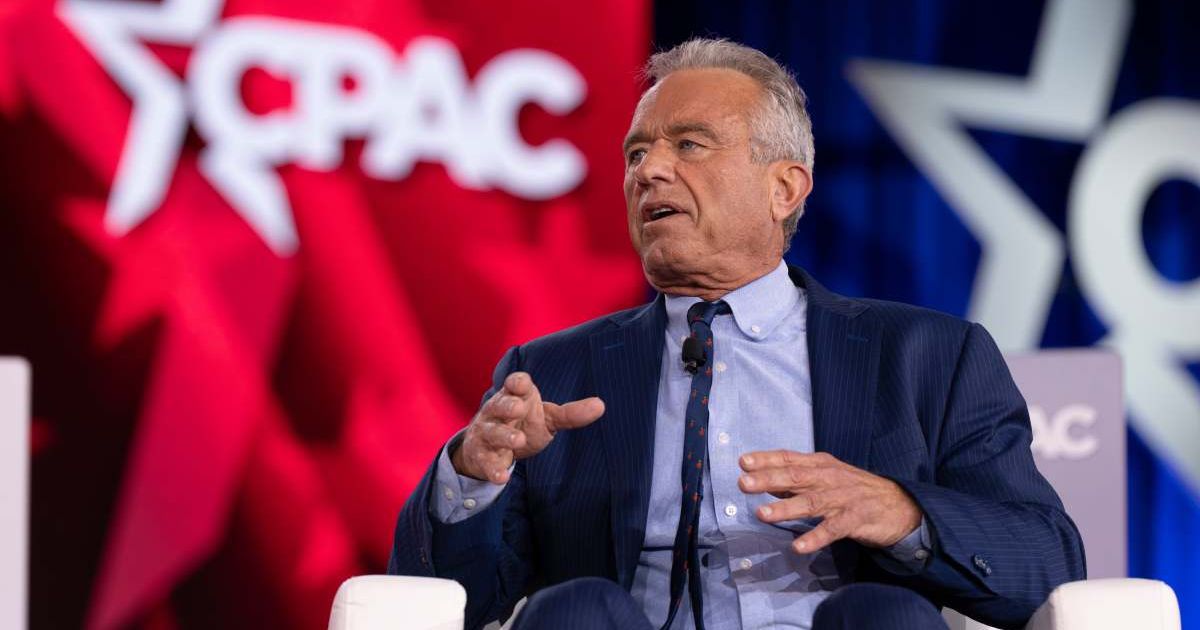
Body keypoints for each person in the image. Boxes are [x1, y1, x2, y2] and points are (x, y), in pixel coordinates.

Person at [387, 38, 1085, 630]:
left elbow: (1047, 562)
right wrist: (472, 477)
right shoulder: (553, 374)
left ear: (785, 188)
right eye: (636, 155)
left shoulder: (929, 357)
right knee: (577, 608)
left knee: (881, 614)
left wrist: (901, 512)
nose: (649, 171)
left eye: (689, 144)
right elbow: (455, 599)